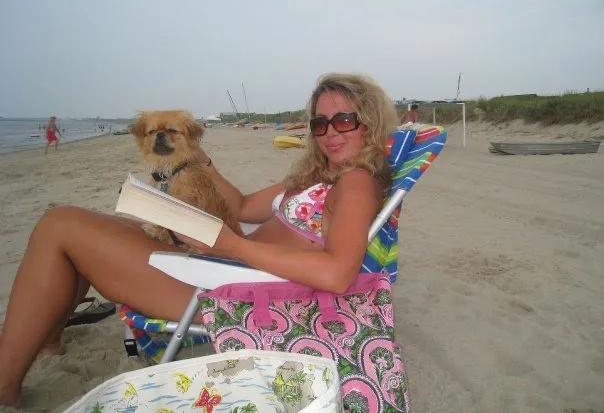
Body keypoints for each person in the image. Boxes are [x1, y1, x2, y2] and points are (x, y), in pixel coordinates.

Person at [0, 73, 398, 407]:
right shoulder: (320, 175)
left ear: (370, 121)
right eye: (320, 123)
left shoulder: (356, 183)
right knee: (81, 225)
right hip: (227, 266)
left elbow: (338, 274)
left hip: (234, 290)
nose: (330, 133)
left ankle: (5, 382)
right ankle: (47, 342)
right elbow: (241, 207)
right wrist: (200, 160)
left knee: (60, 226)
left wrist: (231, 246)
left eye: (345, 120)